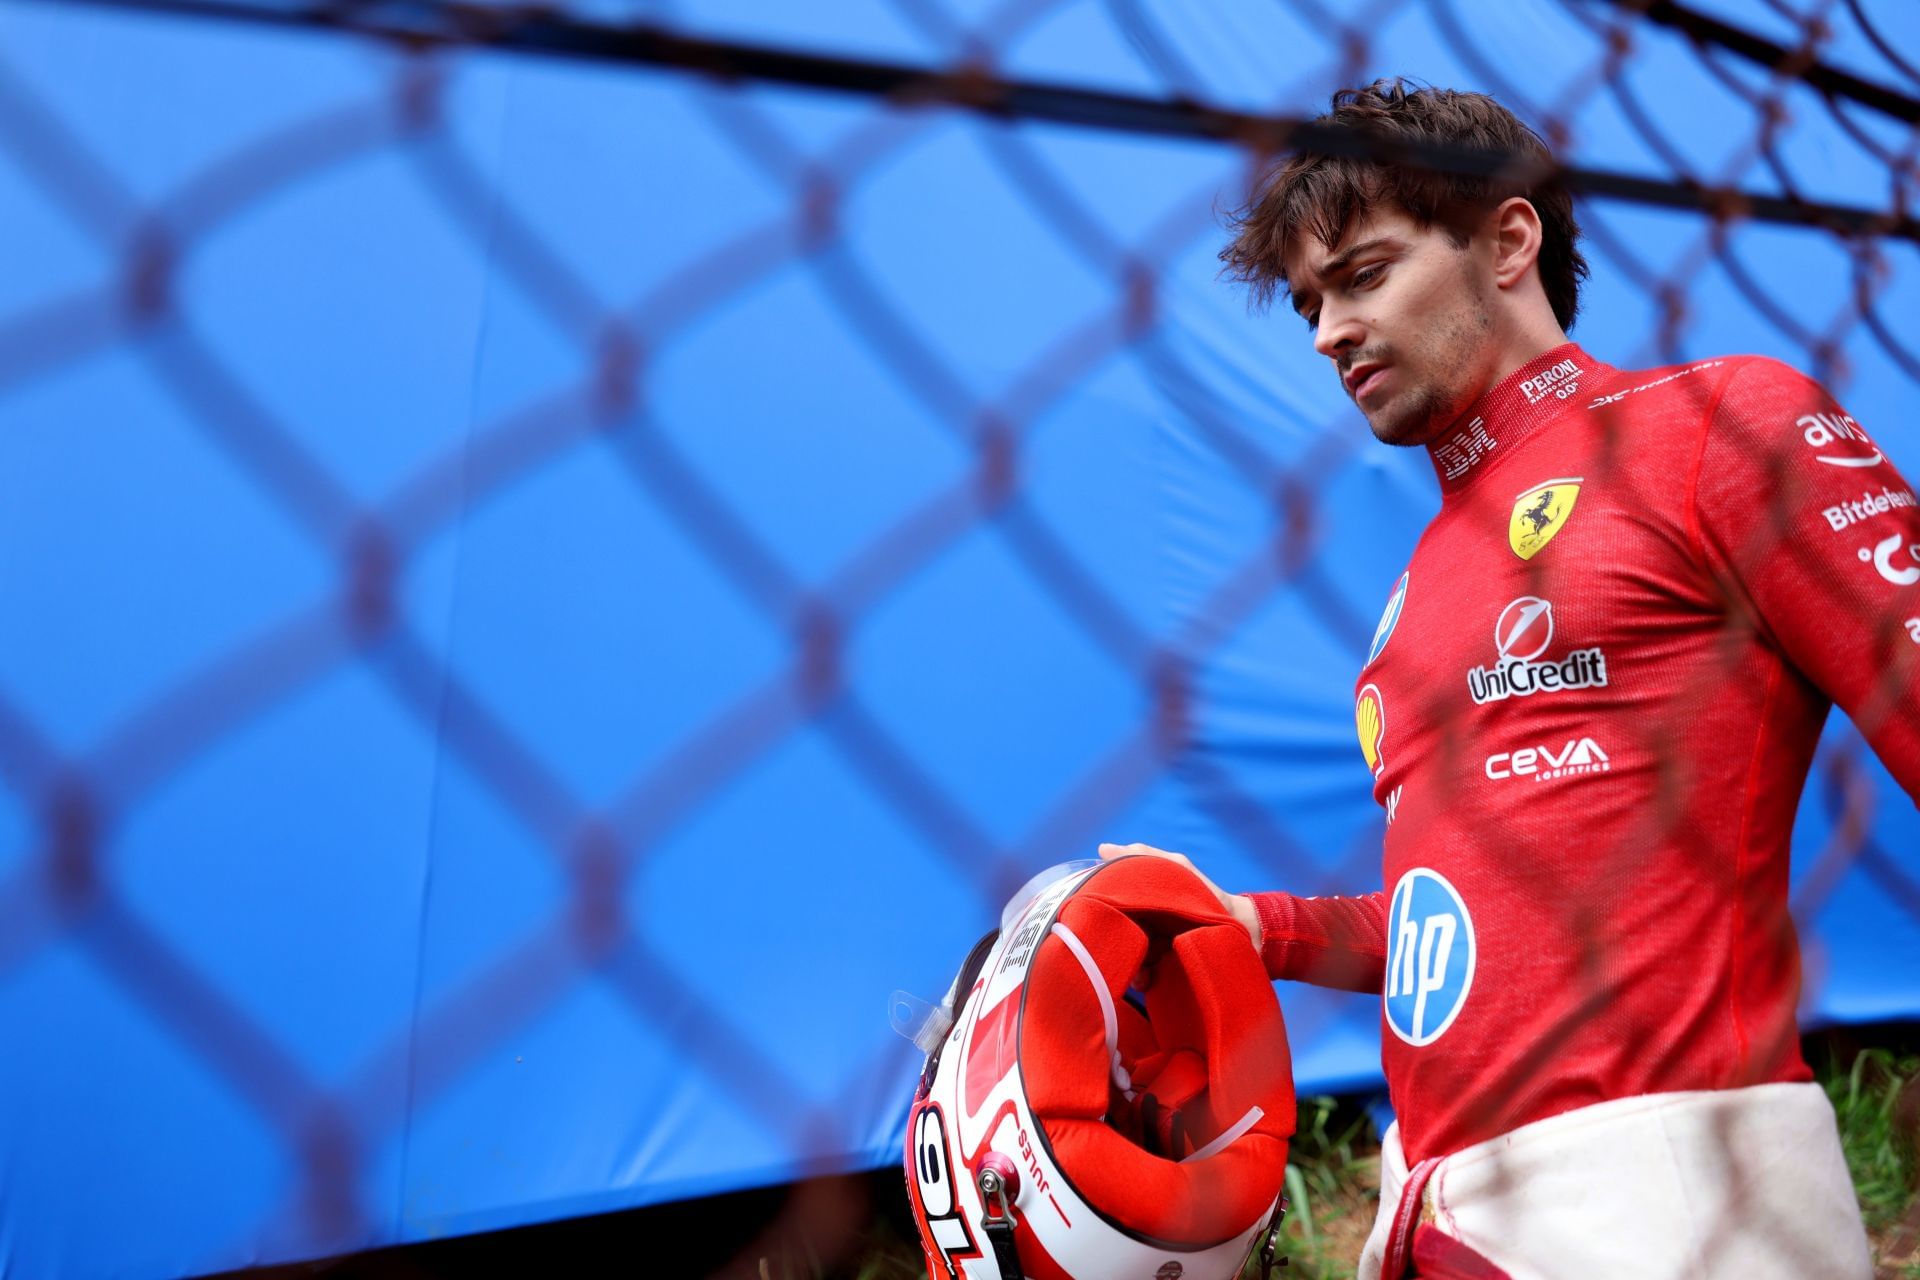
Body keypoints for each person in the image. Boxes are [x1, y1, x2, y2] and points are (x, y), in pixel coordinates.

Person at [1102, 79, 1920, 1280]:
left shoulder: (1720, 423)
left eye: (1365, 274)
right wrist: (1249, 927)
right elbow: (1471, 925)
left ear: (1507, 238)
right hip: (1443, 1212)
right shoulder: (1408, 596)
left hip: (1682, 1198)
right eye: (1309, 303)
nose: (1327, 332)